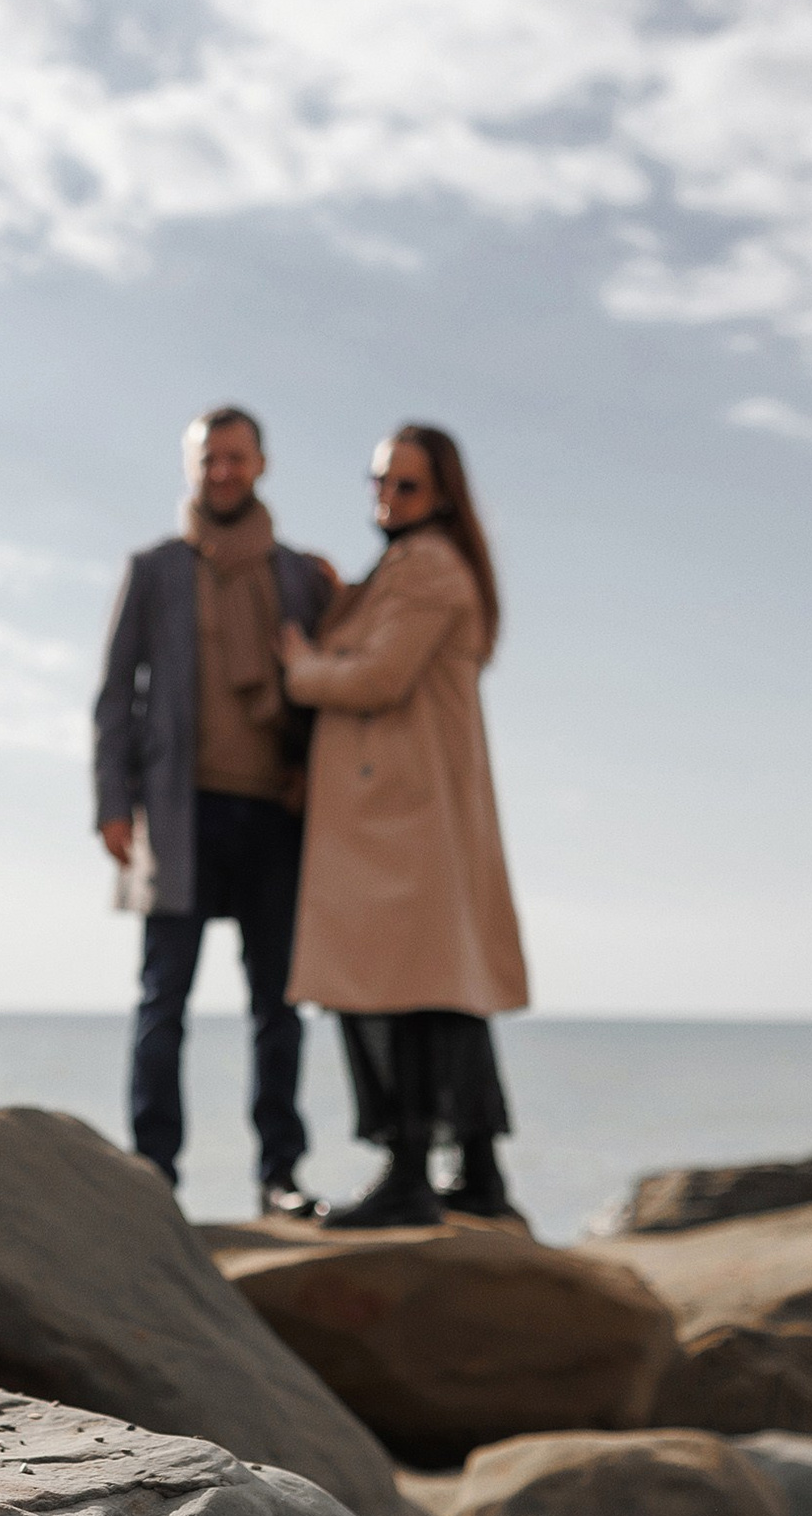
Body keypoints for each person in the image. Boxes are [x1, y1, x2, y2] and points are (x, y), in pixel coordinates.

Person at [276, 424, 528, 1228]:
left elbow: (379, 676)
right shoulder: (411, 566)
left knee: (393, 992)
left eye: (405, 485)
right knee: (438, 992)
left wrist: (299, 667)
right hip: (408, 812)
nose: (386, 498)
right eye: (379, 482)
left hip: (401, 817)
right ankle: (476, 1172)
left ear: (444, 493)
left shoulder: (428, 566)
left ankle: (410, 1172)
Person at [94, 407, 336, 1217]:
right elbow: (113, 697)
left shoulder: (300, 574)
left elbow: (330, 687)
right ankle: (153, 1177)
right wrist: (112, 803)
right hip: (177, 814)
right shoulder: (154, 567)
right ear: (191, 467)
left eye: (236, 459)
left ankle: (281, 1175)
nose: (221, 473)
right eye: (208, 460)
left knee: (279, 1006)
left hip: (276, 813)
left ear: (260, 464)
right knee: (164, 1000)